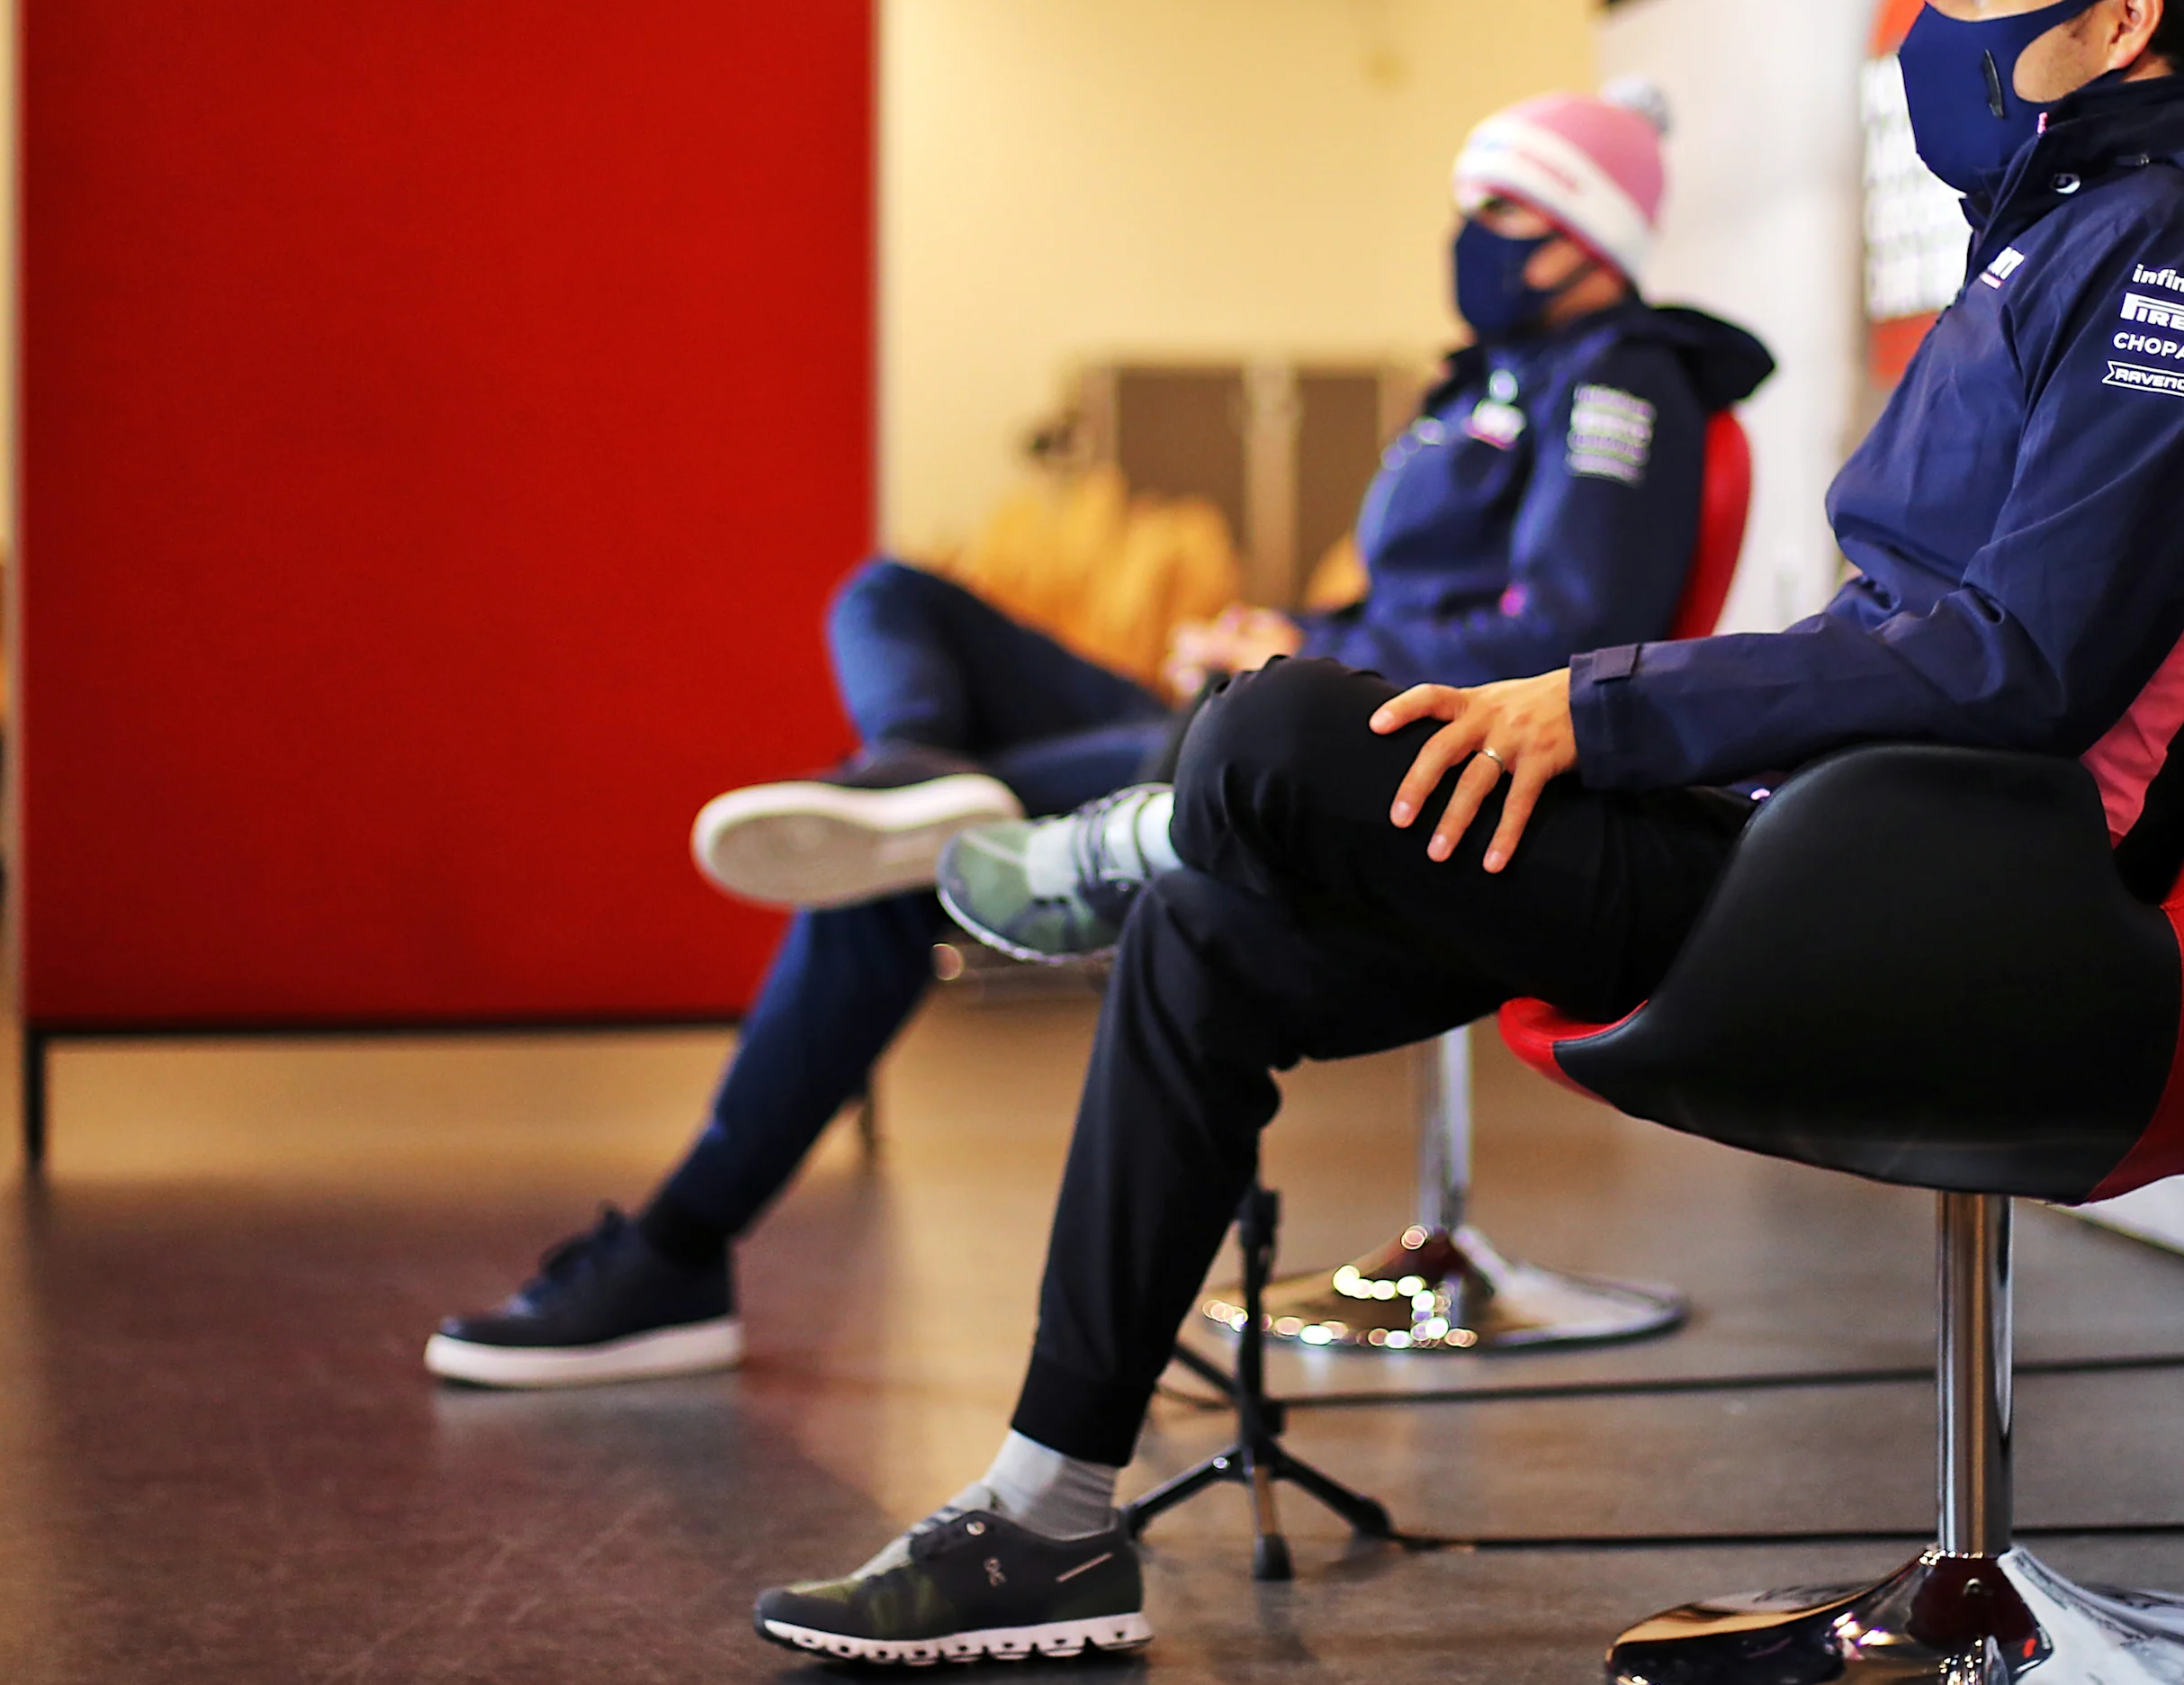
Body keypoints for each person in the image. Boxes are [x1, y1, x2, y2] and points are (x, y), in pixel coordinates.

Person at [751, 0, 2184, 1668]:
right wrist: (1615, 722)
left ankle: (1134, 829)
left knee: (1271, 737)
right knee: (1215, 926)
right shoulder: (2061, 246)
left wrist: (1604, 706)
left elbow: (2019, 662)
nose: (1933, 27)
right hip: (1824, 838)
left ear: (2120, 18)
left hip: (1971, 901)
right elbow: (1900, 639)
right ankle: (1049, 1516)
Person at [423, 82, 1775, 1387]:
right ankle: (910, 762)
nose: (1465, 236)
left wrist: (1306, 664)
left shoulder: (1624, 384)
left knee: (897, 872)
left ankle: (676, 1246)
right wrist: (1281, 624)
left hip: (1349, 761)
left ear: (1584, 229)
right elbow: (1405, 599)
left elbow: (1574, 642)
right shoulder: (1480, 381)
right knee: (894, 597)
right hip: (1262, 712)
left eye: (1498, 207)